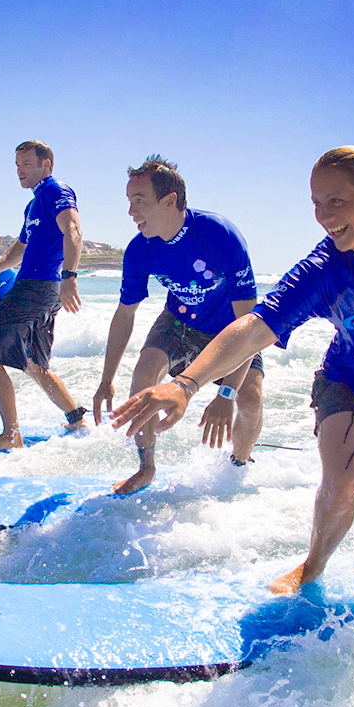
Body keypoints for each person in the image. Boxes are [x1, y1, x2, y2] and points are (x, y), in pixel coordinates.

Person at [114, 146, 354, 594]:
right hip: (350, 382)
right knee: (340, 486)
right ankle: (311, 568)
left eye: (336, 201)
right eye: (315, 203)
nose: (324, 216)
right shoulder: (324, 269)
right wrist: (186, 383)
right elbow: (254, 326)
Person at [93, 155, 265, 493]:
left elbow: (250, 321)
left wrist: (226, 393)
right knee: (144, 375)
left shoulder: (219, 235)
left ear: (170, 200)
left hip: (230, 328)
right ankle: (147, 467)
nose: (131, 212)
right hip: (179, 322)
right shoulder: (139, 250)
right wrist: (106, 380)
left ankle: (239, 465)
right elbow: (125, 314)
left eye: (139, 201)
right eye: (129, 202)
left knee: (251, 398)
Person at [0, 140, 88, 450]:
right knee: (35, 363)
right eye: (17, 166)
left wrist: (70, 276)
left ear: (46, 164)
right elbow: (21, 248)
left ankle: (11, 436)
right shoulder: (33, 205)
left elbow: (73, 231)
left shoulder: (55, 191)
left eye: (26, 164)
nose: (20, 171)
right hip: (41, 288)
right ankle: (76, 418)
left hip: (38, 287)